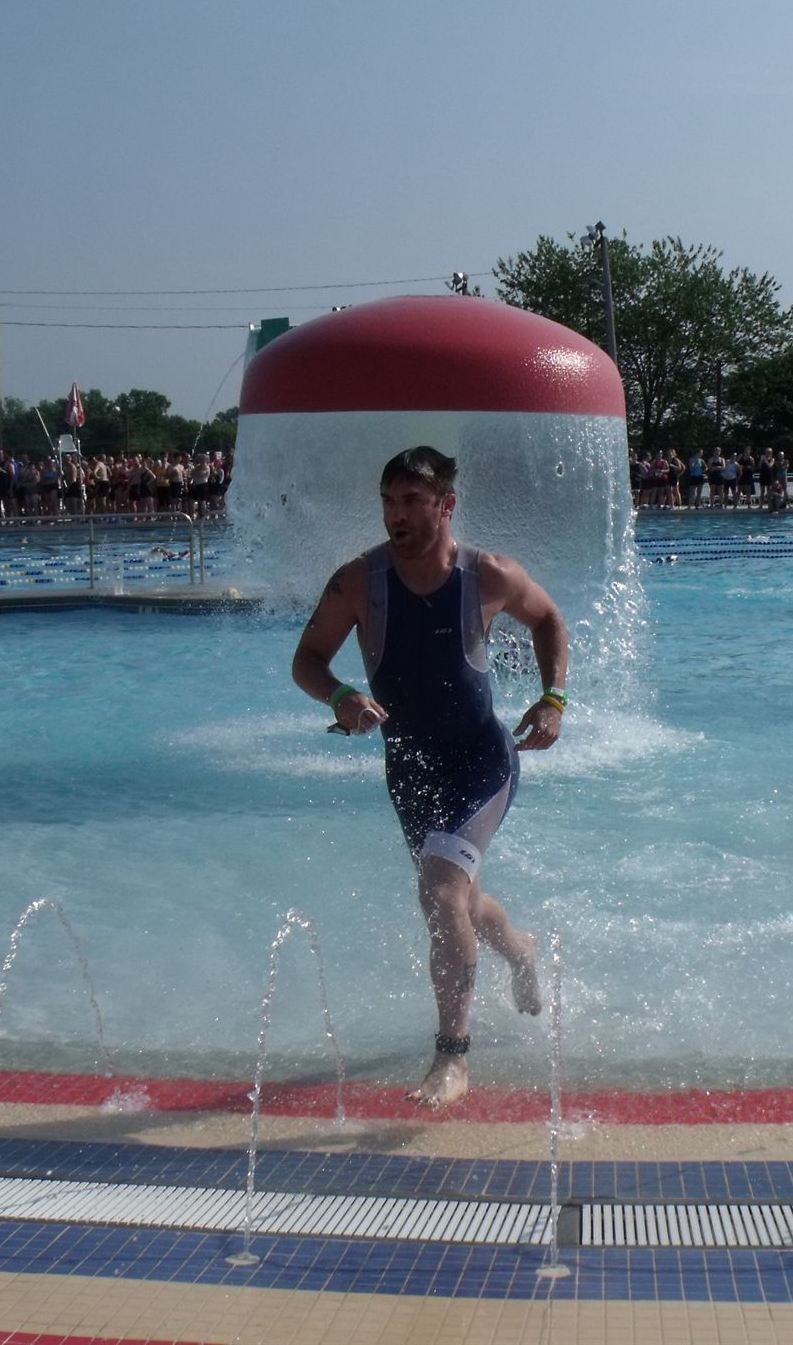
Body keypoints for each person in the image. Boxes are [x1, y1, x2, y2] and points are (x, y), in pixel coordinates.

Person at [293, 446, 562, 1111]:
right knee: (459, 901)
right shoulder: (359, 582)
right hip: (410, 768)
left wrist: (553, 699)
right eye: (388, 501)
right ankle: (520, 948)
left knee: (440, 892)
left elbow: (549, 619)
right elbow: (308, 659)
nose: (397, 515)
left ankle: (453, 1056)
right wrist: (340, 697)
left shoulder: (489, 575)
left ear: (446, 506)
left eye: (412, 501)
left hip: (481, 762)